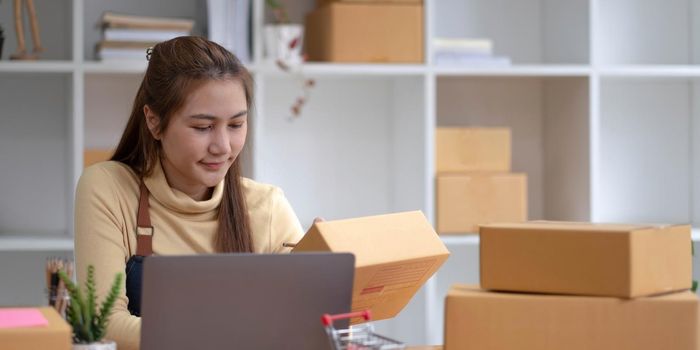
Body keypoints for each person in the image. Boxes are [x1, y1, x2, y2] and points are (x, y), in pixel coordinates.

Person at [74, 36, 304, 350]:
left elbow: (305, 322)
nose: (222, 147)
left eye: (236, 124)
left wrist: (328, 267)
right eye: (202, 127)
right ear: (154, 122)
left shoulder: (268, 207)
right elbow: (104, 323)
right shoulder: (109, 189)